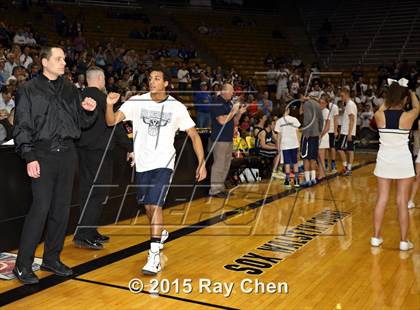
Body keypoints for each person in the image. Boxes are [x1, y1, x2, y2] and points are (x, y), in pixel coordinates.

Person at [105, 68, 207, 275]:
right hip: (142, 164)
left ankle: (153, 256)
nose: (152, 81)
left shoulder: (176, 107)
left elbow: (194, 136)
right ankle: (159, 232)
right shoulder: (137, 102)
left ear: (166, 83)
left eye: (157, 78)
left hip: (164, 163)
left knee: (156, 204)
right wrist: (108, 104)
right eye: (150, 78)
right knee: (148, 207)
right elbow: (111, 121)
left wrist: (202, 162)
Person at [12, 46, 98, 284]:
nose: (64, 63)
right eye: (58, 59)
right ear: (44, 62)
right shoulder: (27, 90)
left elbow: (81, 122)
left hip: (68, 154)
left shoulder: (70, 89)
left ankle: (52, 259)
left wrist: (88, 112)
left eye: (64, 59)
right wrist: (29, 156)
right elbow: (21, 127)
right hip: (42, 154)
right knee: (40, 209)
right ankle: (22, 265)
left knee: (61, 210)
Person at [73, 66, 134, 250]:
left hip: (82, 151)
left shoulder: (78, 97)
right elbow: (114, 126)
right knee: (98, 192)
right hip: (99, 152)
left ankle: (89, 231)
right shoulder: (102, 99)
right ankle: (84, 235)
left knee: (87, 192)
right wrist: (130, 147)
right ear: (100, 79)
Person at [372, 79, 419, 251]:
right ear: (404, 99)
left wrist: (392, 95)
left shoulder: (379, 115)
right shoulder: (408, 116)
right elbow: (417, 107)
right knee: (402, 201)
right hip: (403, 162)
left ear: (389, 98)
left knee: (382, 199)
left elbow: (382, 108)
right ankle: (403, 241)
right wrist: (411, 92)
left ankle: (376, 238)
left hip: (384, 161)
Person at [209, 83, 246, 197]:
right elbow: (222, 120)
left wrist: (239, 113)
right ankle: (214, 190)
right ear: (224, 91)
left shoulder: (228, 104)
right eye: (231, 91)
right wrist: (233, 111)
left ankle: (220, 188)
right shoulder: (217, 102)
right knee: (219, 164)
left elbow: (234, 122)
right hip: (220, 139)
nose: (232, 93)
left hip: (228, 138)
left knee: (226, 164)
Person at [300, 97, 324, 187]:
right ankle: (313, 179)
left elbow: (307, 119)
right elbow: (321, 120)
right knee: (313, 157)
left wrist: (307, 132)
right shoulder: (317, 105)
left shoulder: (307, 104)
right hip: (316, 134)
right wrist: (319, 131)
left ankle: (308, 179)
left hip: (308, 134)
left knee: (305, 157)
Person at [275, 106, 301, 187]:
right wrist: (299, 143)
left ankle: (288, 180)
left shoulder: (279, 121)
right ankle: (296, 180)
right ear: (288, 110)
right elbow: (297, 133)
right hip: (294, 144)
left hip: (285, 144)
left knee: (287, 162)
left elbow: (278, 136)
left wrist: (278, 147)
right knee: (295, 162)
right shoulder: (294, 119)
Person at [337, 88, 357, 176]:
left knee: (339, 148)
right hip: (348, 131)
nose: (341, 98)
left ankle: (346, 168)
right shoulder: (349, 104)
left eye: (342, 96)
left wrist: (349, 133)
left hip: (346, 132)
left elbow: (352, 119)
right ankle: (348, 169)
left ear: (347, 94)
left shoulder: (350, 105)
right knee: (350, 150)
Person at [318, 94, 331, 179]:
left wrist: (321, 135)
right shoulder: (320, 111)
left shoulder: (326, 111)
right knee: (318, 156)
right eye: (320, 102)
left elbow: (327, 126)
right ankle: (322, 172)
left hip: (323, 136)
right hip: (319, 136)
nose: (321, 104)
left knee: (321, 156)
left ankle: (322, 174)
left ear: (326, 103)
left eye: (323, 103)